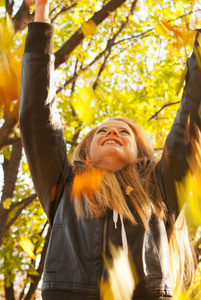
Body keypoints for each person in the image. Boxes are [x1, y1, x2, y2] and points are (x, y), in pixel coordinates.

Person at [19, 0, 200, 299]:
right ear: (86, 151)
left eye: (123, 131)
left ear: (141, 153)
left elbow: (191, 119)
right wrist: (40, 12)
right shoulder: (65, 185)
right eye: (101, 131)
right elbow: (36, 115)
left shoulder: (160, 187)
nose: (111, 131)